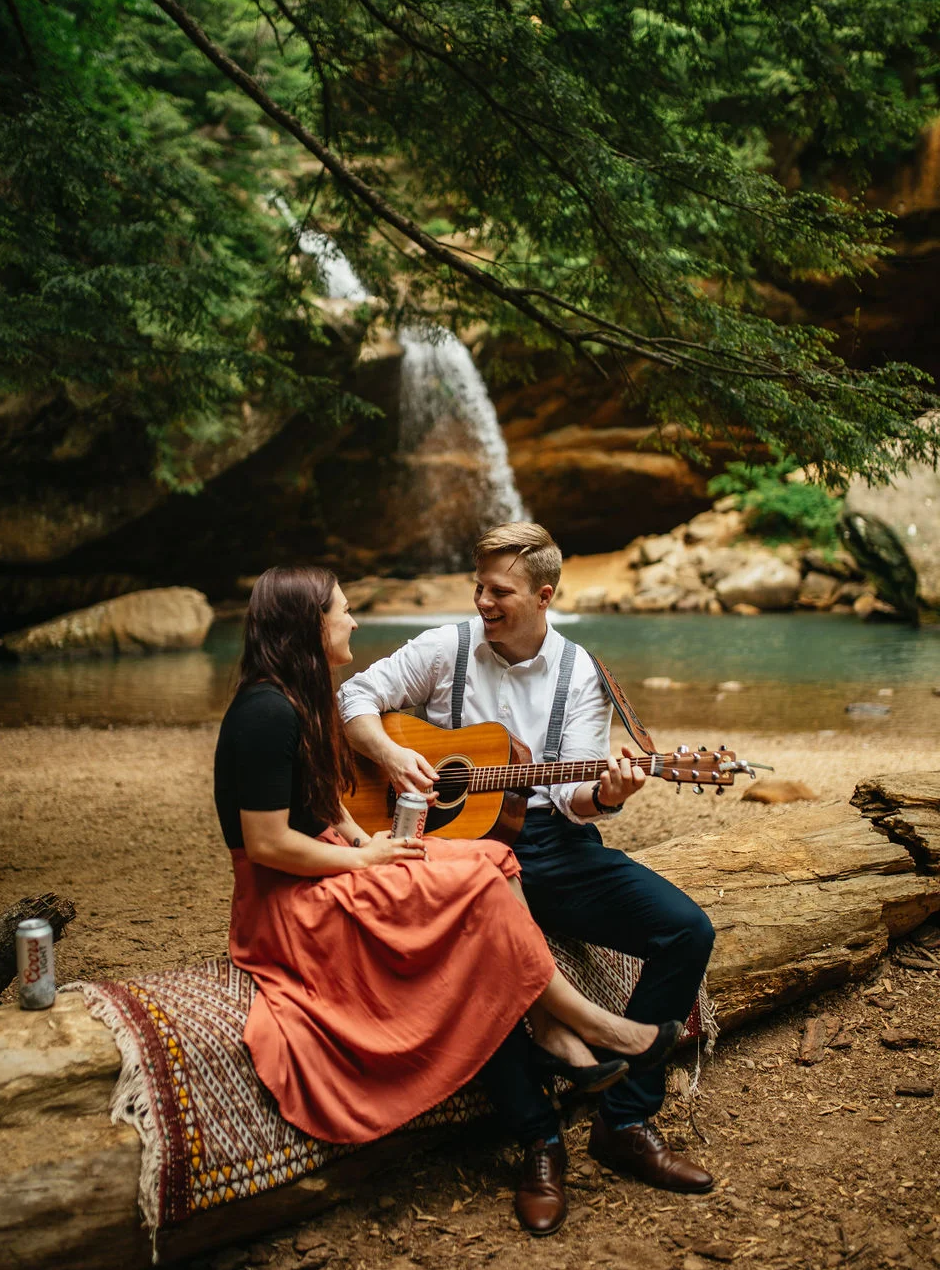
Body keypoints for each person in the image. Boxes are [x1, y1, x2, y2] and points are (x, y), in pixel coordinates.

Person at [214, 564, 673, 1171]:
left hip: (328, 862)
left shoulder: (300, 699)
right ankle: (593, 1029)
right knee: (479, 891)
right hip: (290, 898)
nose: (353, 620)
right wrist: (367, 857)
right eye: (343, 611)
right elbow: (268, 844)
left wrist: (362, 838)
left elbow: (319, 804)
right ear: (309, 625)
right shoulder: (265, 712)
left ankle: (559, 1037)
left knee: (496, 856)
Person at [339, 523, 716, 1230]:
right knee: (467, 971)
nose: (482, 600)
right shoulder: (446, 648)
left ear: (544, 596)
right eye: (478, 585)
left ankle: (624, 1122)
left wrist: (610, 793)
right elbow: (353, 699)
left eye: (499, 591)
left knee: (686, 930)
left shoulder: (582, 675)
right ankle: (538, 1140)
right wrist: (390, 758)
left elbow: (575, 799)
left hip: (551, 845)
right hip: (454, 851)